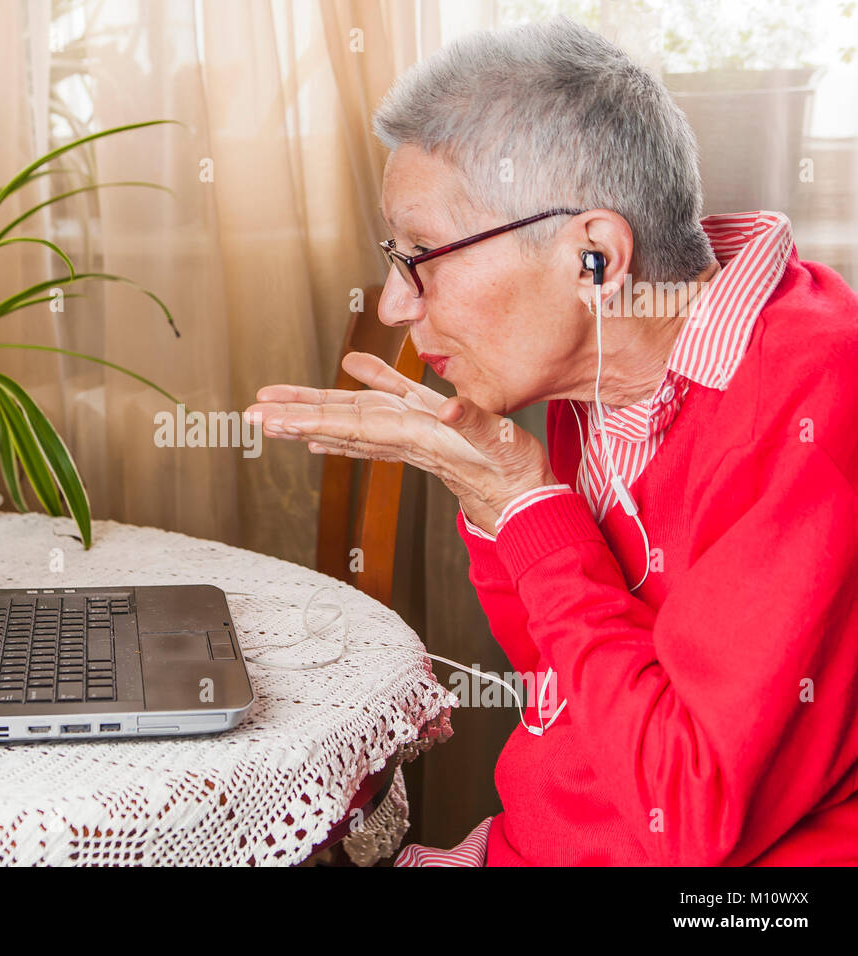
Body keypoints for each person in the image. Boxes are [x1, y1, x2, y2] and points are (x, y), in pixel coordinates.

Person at [244, 17, 858, 865]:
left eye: (422, 253)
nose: (393, 304)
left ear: (595, 258)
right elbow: (565, 685)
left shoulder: (811, 411)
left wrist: (525, 507)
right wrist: (488, 490)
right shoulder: (605, 365)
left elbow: (682, 816)